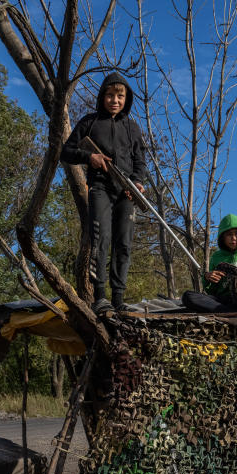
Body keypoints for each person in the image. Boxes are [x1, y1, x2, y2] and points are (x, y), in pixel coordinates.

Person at [61, 72, 147, 312]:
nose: (115, 100)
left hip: (126, 193)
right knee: (101, 239)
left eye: (120, 96)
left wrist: (138, 183)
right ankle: (101, 297)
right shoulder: (89, 122)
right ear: (102, 96)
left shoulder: (132, 128)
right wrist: (90, 157)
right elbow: (66, 152)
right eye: (110, 95)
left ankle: (118, 300)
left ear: (126, 99)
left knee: (124, 243)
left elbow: (140, 161)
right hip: (99, 188)